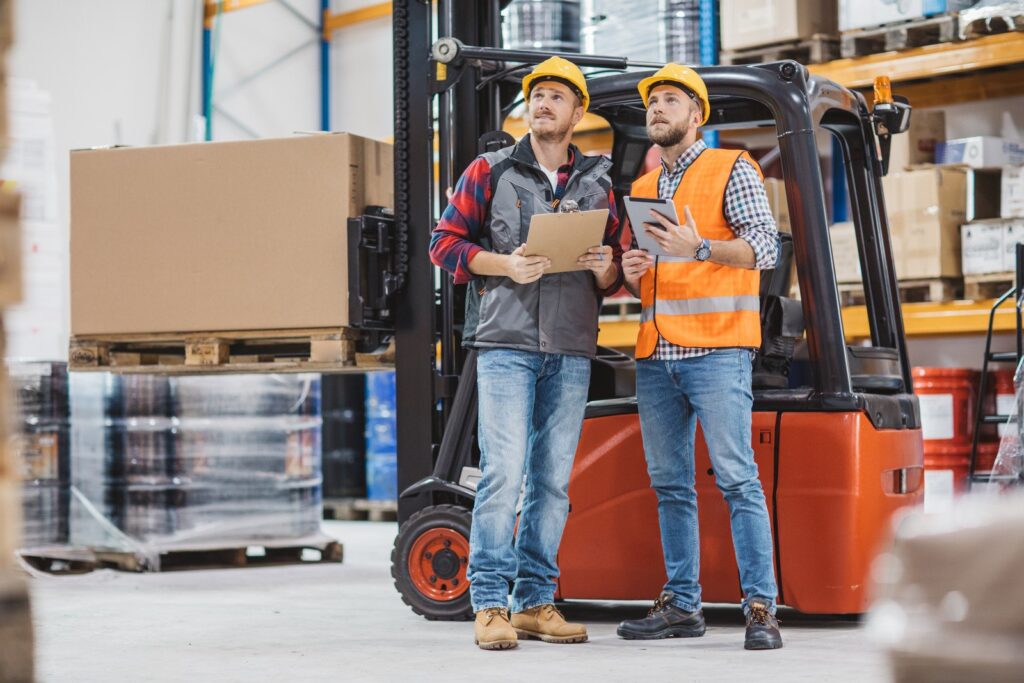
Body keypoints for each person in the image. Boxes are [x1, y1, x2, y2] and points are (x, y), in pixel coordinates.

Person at [429, 56, 623, 651]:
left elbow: (615, 273)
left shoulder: (598, 184)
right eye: (536, 94)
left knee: (552, 481)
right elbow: (444, 245)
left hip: (569, 347)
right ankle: (489, 602)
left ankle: (536, 601)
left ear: (577, 113)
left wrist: (605, 266)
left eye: (556, 96)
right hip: (507, 344)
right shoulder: (490, 171)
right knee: (503, 474)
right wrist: (504, 264)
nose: (543, 103)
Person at [614, 64, 783, 650]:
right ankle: (682, 606)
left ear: (696, 114)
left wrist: (702, 245)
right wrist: (636, 273)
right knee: (670, 486)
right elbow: (657, 279)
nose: (656, 110)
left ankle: (761, 607)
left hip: (716, 352)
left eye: (668, 100)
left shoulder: (731, 168)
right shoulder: (642, 188)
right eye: (651, 103)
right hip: (656, 353)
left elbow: (764, 246)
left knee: (738, 479)